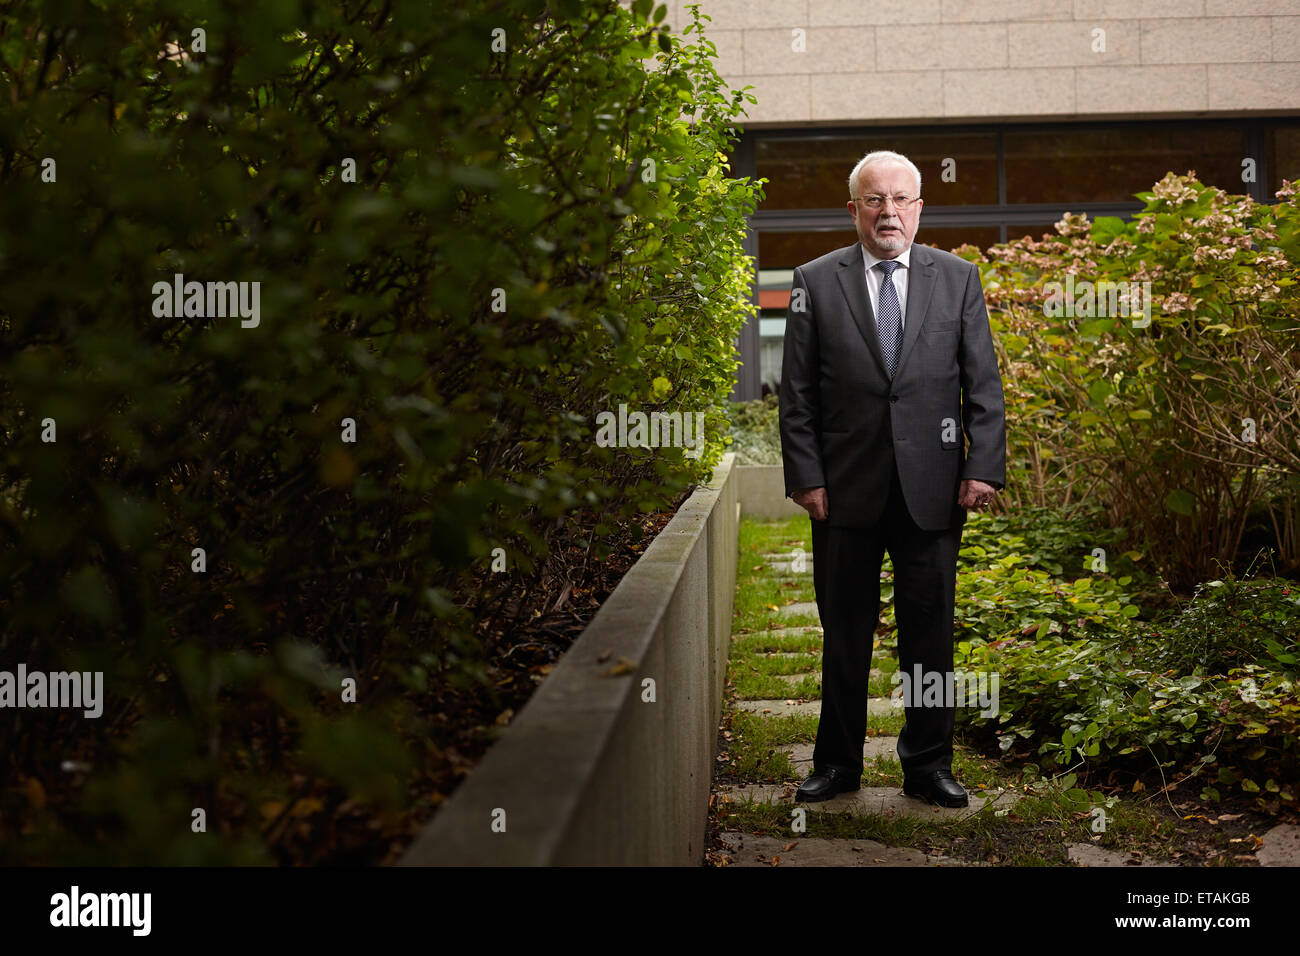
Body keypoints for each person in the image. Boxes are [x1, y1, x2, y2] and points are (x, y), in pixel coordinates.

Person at [778, 150, 1006, 807]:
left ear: (919, 209)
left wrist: (982, 467)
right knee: (844, 632)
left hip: (932, 492)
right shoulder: (813, 281)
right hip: (843, 493)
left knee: (929, 636)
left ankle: (929, 765)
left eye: (900, 199)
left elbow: (982, 385)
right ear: (853, 210)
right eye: (874, 200)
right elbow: (797, 397)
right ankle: (838, 765)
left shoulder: (958, 279)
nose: (888, 212)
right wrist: (806, 477)